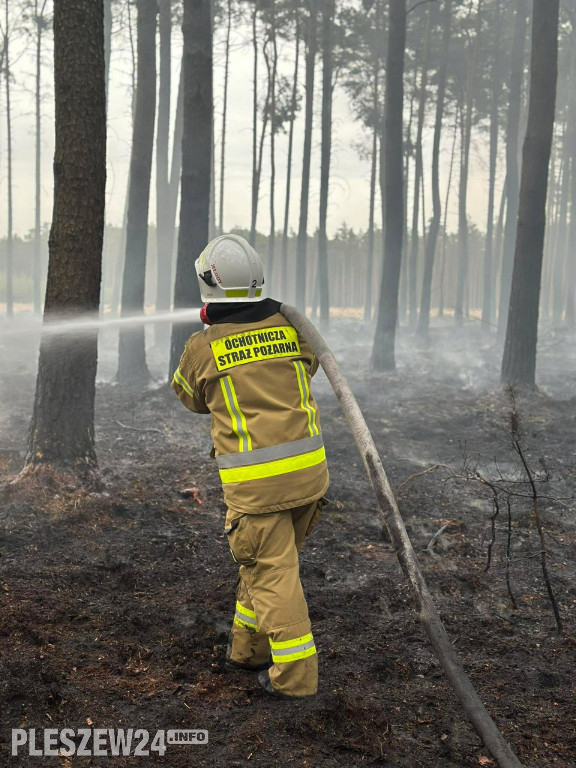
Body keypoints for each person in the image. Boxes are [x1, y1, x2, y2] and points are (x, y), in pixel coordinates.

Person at [171, 234, 329, 699]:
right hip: (310, 478)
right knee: (266, 565)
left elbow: (189, 397)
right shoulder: (290, 326)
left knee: (272, 573)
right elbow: (313, 365)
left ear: (208, 287)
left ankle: (296, 680)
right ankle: (247, 650)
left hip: (258, 490)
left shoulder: (204, 347)